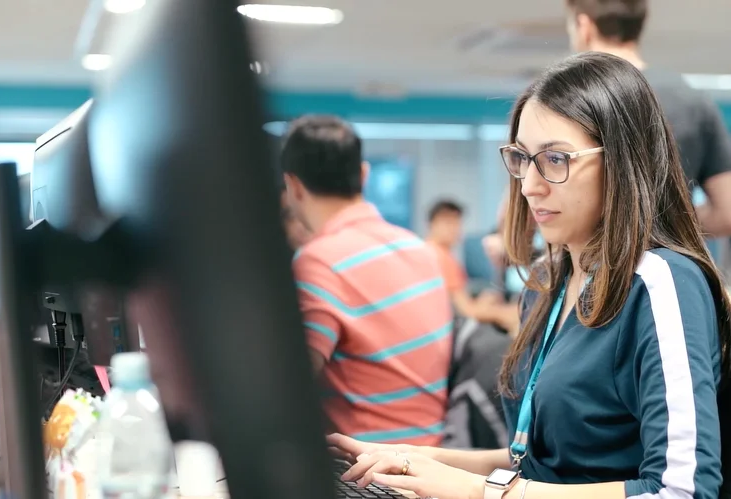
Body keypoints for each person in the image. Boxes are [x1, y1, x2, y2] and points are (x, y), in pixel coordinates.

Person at [328, 53, 730, 499]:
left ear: (621, 159)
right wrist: (416, 460)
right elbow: (537, 463)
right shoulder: (547, 282)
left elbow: (682, 491)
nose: (528, 185)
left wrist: (484, 493)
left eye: (555, 159)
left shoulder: (660, 282)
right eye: (522, 158)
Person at [282, 115, 453, 446]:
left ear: (294, 187)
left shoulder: (319, 262)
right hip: (431, 466)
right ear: (363, 174)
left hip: (365, 472)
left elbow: (286, 394)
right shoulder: (419, 249)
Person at [566, 0, 731, 237]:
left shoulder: (566, 97)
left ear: (584, 26)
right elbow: (726, 214)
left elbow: (529, 197)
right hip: (667, 262)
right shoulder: (693, 101)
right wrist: (666, 222)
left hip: (591, 263)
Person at [425, 200, 517, 332]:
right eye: (448, 223)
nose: (454, 229)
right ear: (432, 224)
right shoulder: (441, 257)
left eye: (457, 223)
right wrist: (509, 313)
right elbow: (468, 311)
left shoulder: (427, 251)